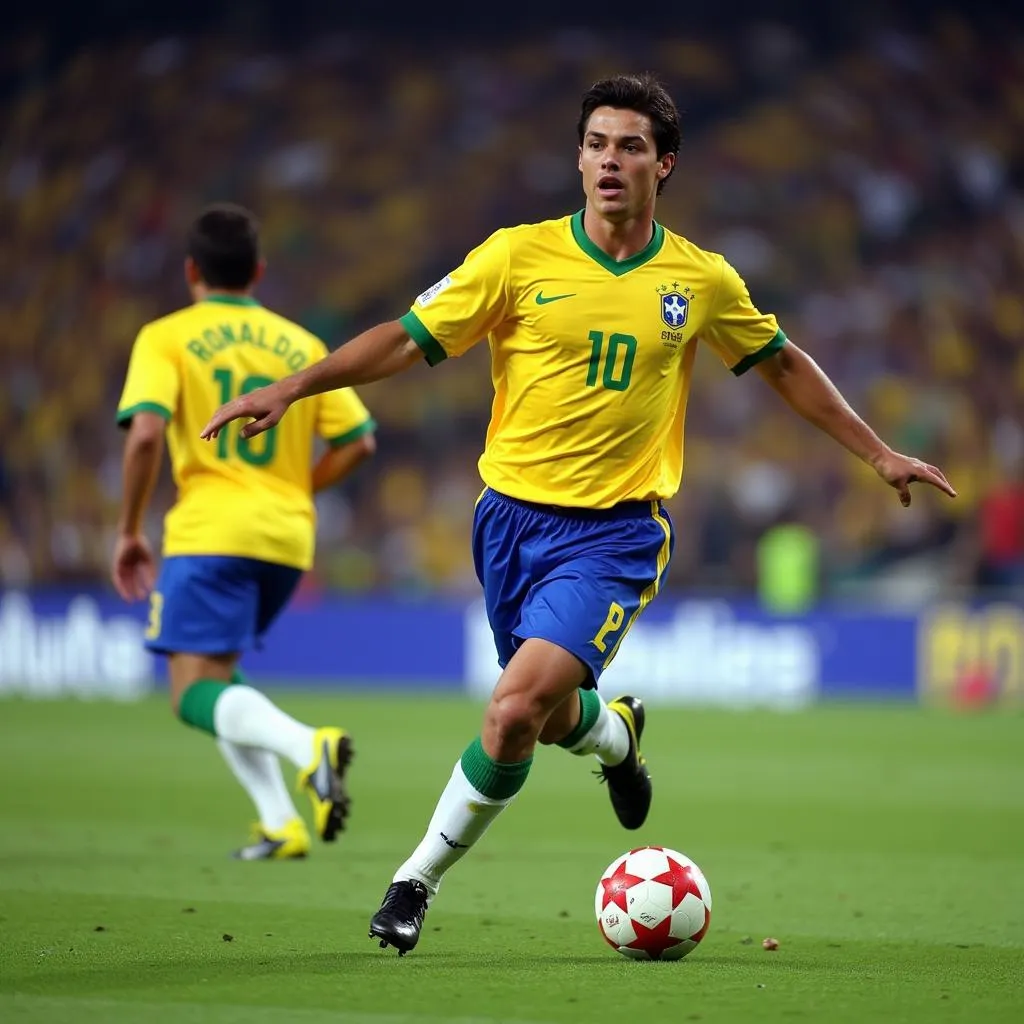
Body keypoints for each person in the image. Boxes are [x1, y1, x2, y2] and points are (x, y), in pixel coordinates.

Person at [201, 75, 956, 950]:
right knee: (550, 718)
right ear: (580, 156)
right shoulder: (515, 257)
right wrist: (297, 386)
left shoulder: (699, 279)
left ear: (663, 164)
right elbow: (407, 337)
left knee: (511, 710)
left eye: (630, 146)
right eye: (596, 143)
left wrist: (877, 452)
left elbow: (782, 363)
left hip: (616, 534)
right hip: (508, 524)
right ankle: (616, 740)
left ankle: (415, 881)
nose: (609, 160)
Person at [113, 203, 377, 860]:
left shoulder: (166, 336)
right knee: (219, 673)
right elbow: (360, 441)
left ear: (190, 271)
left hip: (210, 533)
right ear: (258, 271)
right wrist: (297, 489)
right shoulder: (300, 344)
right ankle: (279, 822)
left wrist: (128, 530)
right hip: (287, 541)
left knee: (189, 692)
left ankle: (306, 748)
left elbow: (145, 432)